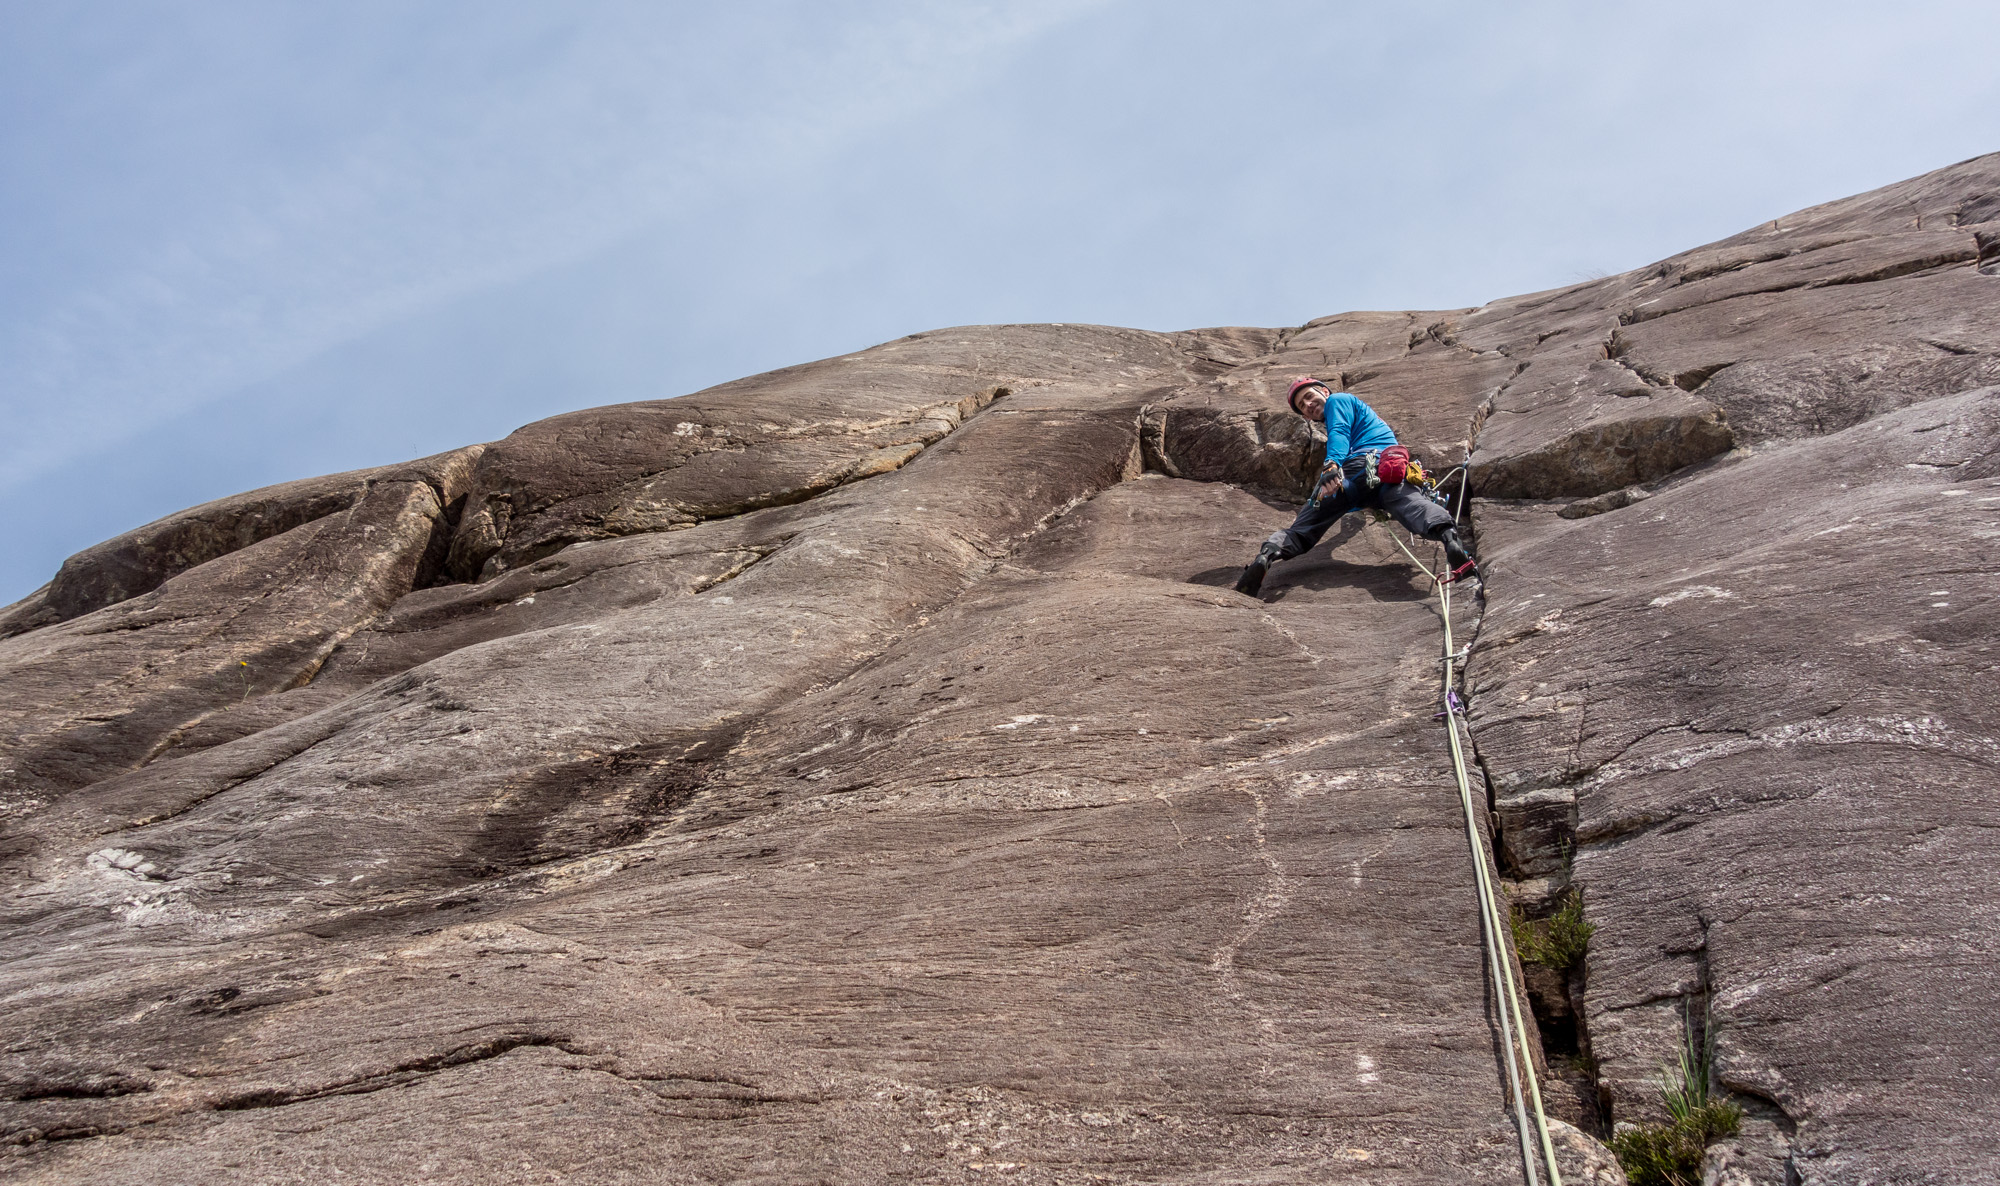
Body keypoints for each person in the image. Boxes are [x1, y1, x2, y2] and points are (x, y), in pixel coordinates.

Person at [1234, 376, 1480, 597]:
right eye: (1302, 406)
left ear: (1324, 391)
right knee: (1413, 504)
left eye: (1309, 396)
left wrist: (1332, 465)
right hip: (1385, 473)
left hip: (1354, 473)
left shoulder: (1338, 400)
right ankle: (1449, 539)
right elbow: (1341, 436)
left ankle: (1268, 555)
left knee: (1301, 530)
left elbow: (1339, 432)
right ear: (1306, 417)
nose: (1308, 404)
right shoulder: (1352, 415)